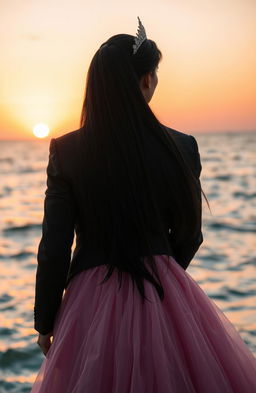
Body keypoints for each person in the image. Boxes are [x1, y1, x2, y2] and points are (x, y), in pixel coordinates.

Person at [31, 17, 256, 393]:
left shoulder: (67, 151)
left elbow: (54, 246)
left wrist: (46, 321)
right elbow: (190, 235)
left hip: (89, 296)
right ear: (146, 80)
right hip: (166, 291)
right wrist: (163, 271)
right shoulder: (182, 147)